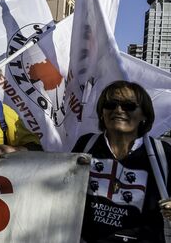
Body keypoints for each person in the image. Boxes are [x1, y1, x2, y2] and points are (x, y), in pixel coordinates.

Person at [72, 81, 171, 242]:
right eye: (110, 104)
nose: (118, 110)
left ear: (144, 115)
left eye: (129, 106)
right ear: (102, 112)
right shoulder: (86, 144)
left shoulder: (162, 153)